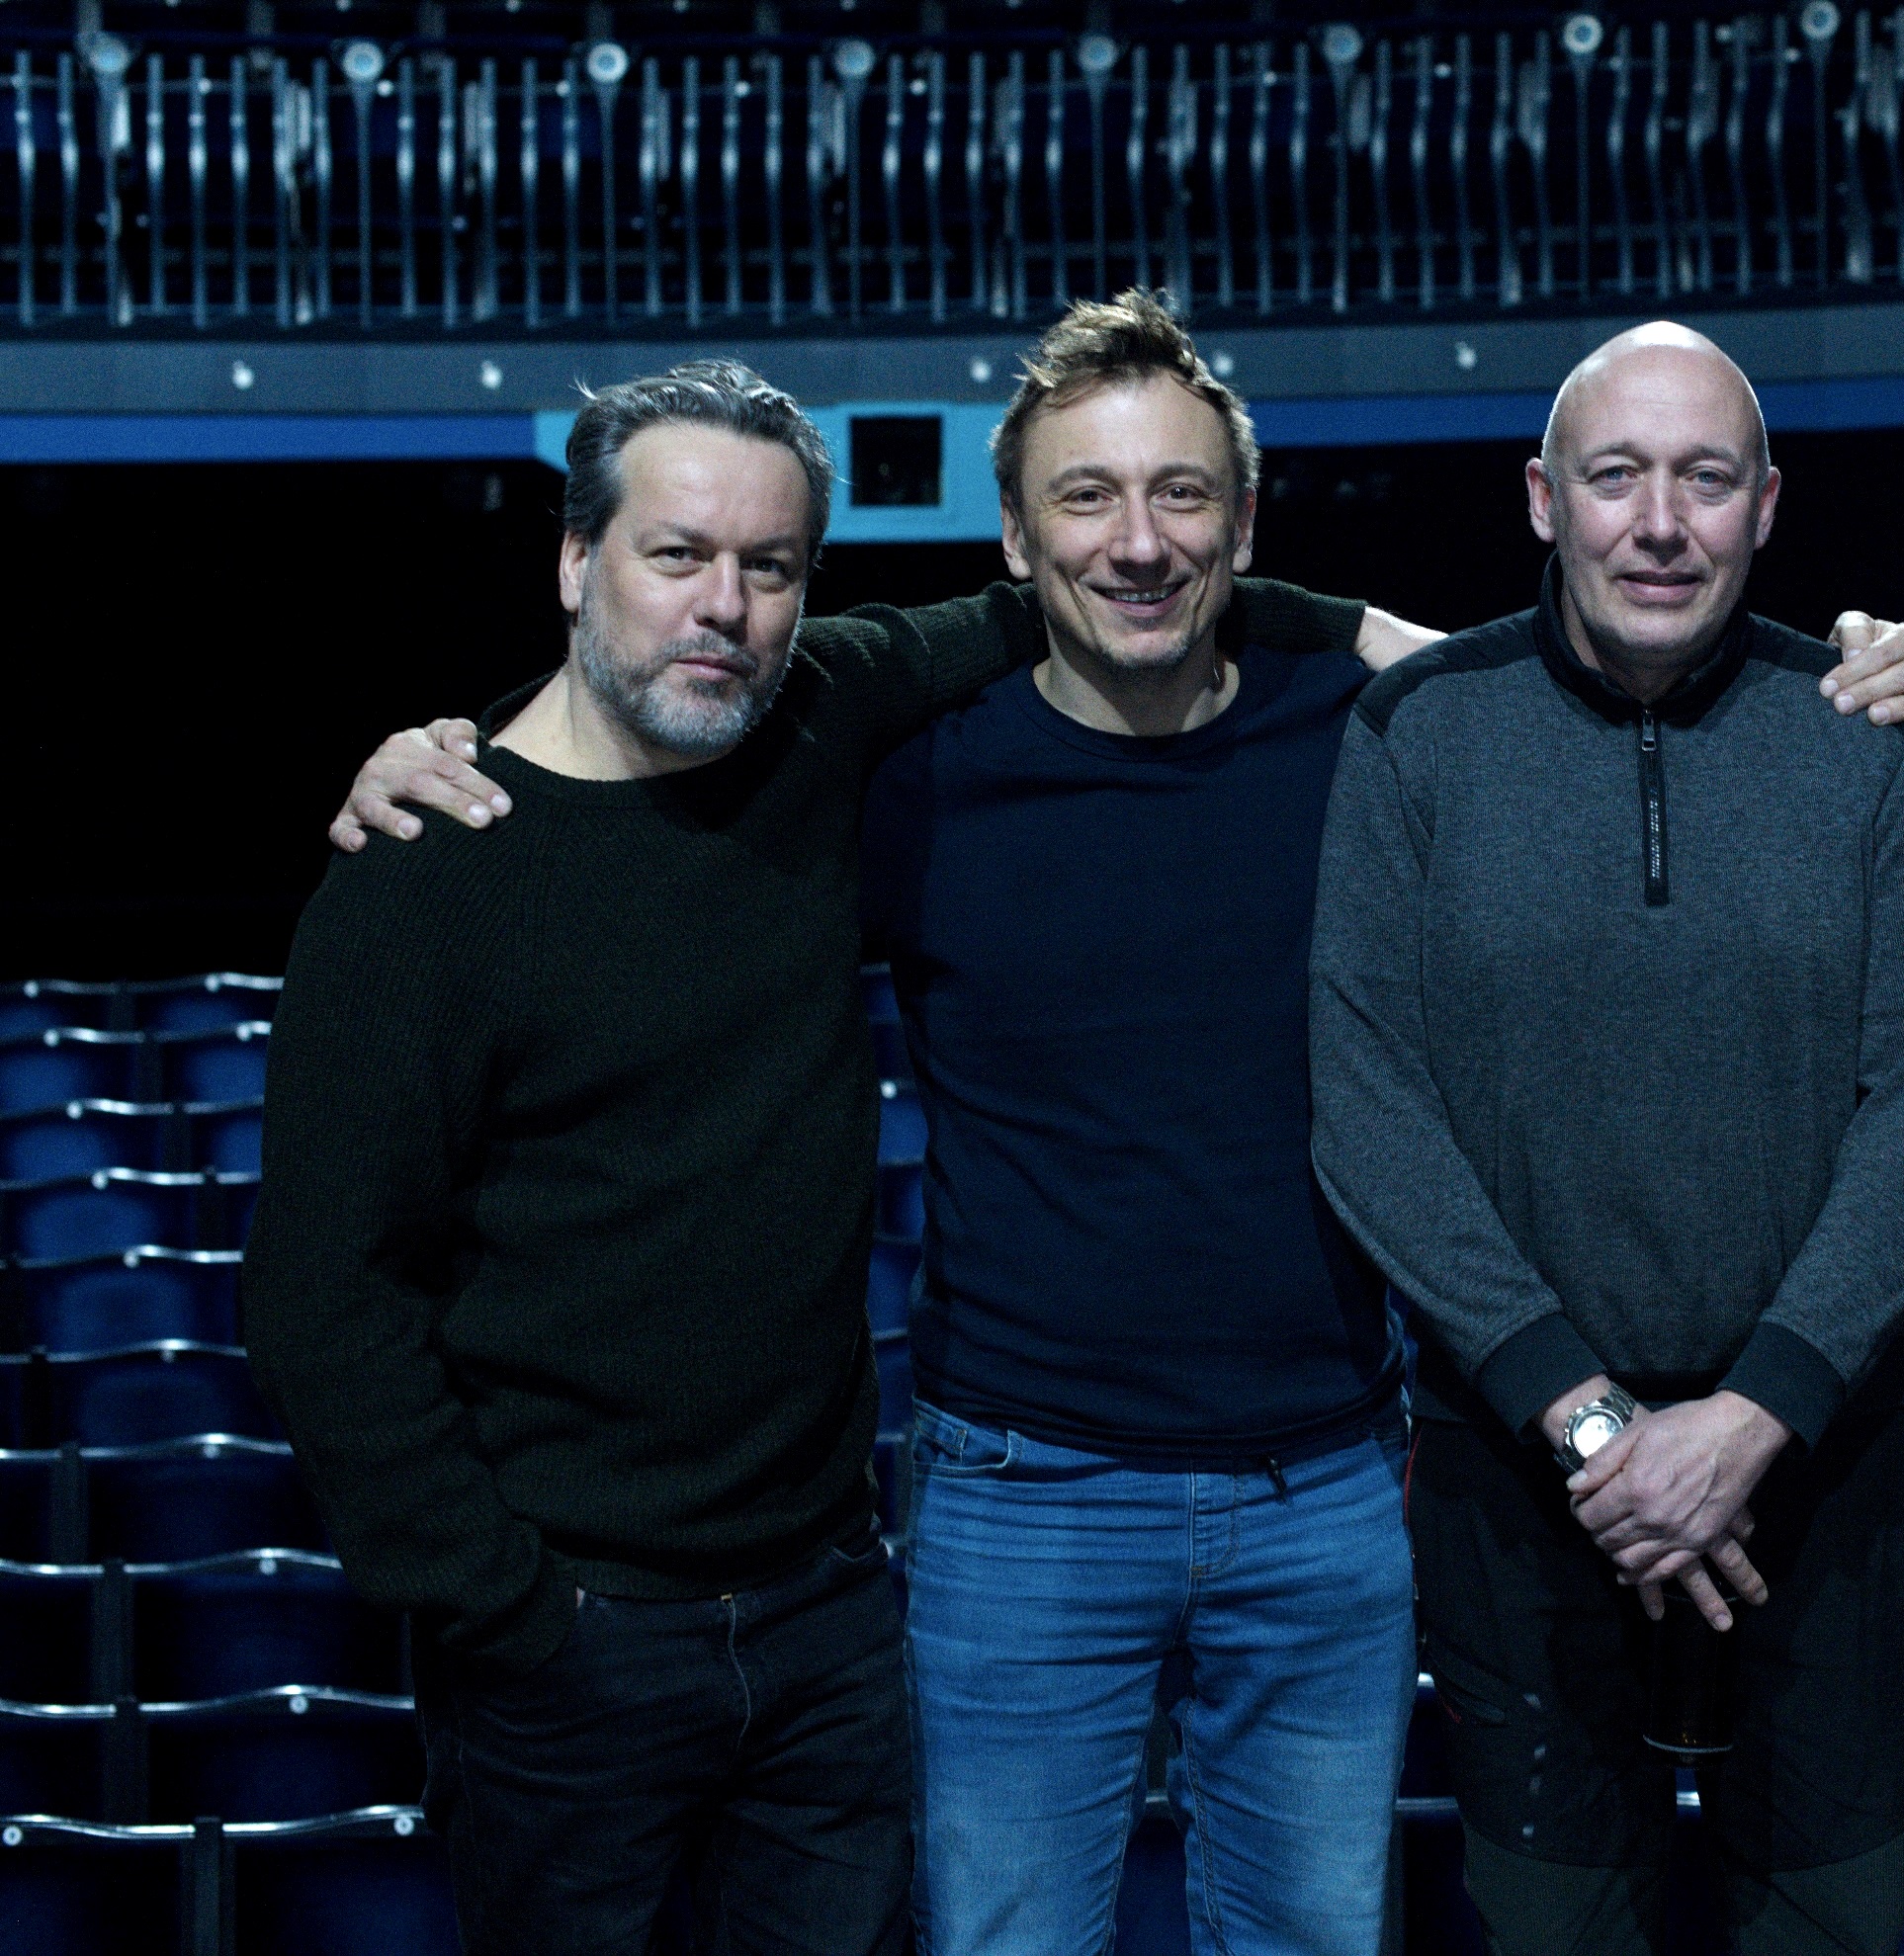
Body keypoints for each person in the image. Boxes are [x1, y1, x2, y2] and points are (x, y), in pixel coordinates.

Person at [315, 309, 1904, 1955]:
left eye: (1182, 495)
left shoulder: (1370, 733)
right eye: (1084, 498)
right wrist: (466, 750)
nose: (1138, 541)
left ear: (1242, 527)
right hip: (1018, 1498)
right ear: (1013, 535)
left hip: (1320, 1491)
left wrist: (1865, 667)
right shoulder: (906, 770)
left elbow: (1562, 723)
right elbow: (653, 730)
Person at [240, 359, 1365, 1955]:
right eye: (677, 555)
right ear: (575, 559)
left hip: (827, 1613)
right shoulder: (427, 870)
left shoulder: (816, 717)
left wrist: (1387, 635)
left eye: (769, 567)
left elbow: (1110, 588)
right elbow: (320, 1299)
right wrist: (503, 1606)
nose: (726, 605)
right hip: (568, 1643)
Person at [1308, 321, 1904, 1956]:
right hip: (1520, 1470)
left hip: (1829, 1458)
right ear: (1544, 499)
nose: (1658, 523)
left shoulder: (1868, 733)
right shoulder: (1415, 731)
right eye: (1614, 477)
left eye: (1703, 478)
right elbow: (1367, 1096)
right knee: (1553, 1932)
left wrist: (1753, 1414)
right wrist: (1592, 1421)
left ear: (1766, 504)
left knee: (1831, 1930)